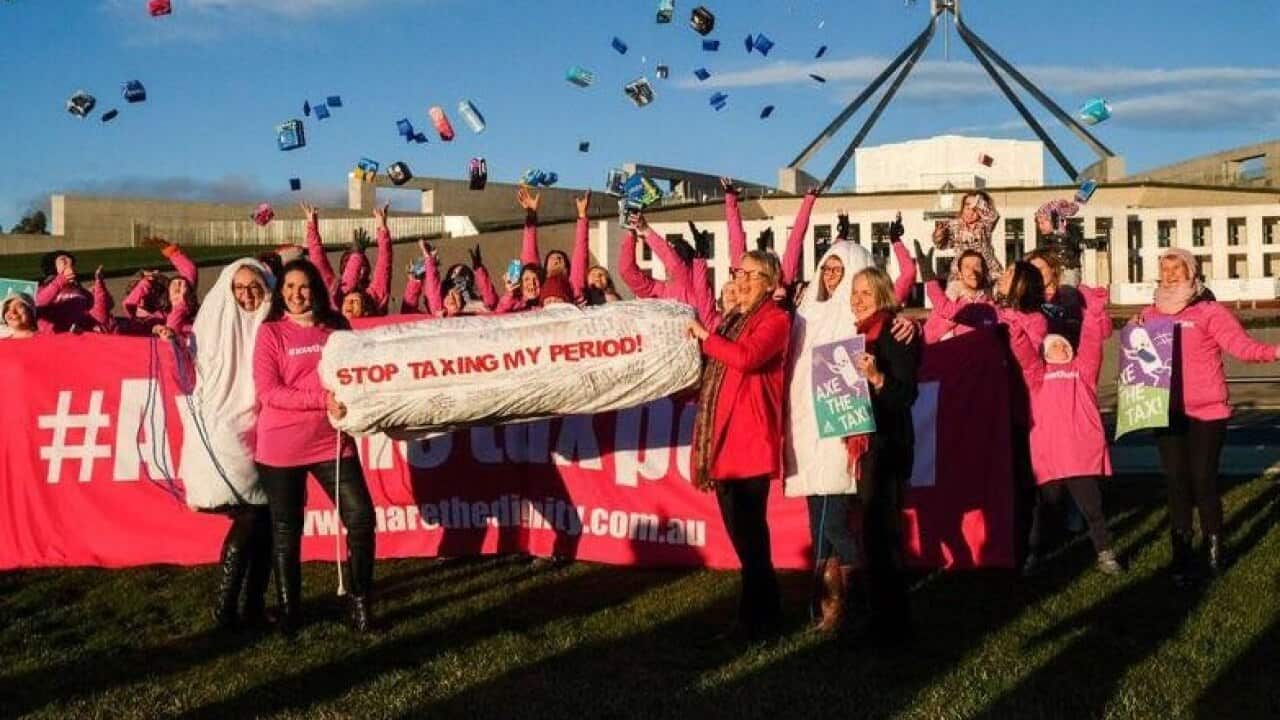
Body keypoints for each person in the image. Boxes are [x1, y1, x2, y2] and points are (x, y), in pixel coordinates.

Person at [1138, 248, 1280, 584]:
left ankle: (1214, 547)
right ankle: (1181, 552)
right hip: (1165, 410)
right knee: (1176, 481)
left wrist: (1275, 351)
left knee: (1202, 479)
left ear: (1192, 272)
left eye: (1178, 268)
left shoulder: (1209, 311)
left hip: (1207, 411)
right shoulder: (1148, 315)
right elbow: (1138, 360)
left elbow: (1242, 347)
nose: (1170, 274)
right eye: (1165, 268)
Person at [253, 259, 377, 635]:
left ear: (316, 289)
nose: (295, 294)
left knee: (361, 519)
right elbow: (269, 391)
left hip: (332, 442)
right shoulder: (270, 333)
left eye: (303, 286)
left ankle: (359, 602)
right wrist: (322, 399)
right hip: (280, 447)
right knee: (287, 532)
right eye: (288, 287)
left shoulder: (336, 326)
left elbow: (360, 370)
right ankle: (291, 611)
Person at [686, 250, 791, 641]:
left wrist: (705, 336)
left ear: (769, 281)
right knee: (746, 543)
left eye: (749, 273)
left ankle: (757, 622)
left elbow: (747, 358)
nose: (740, 279)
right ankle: (762, 618)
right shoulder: (733, 319)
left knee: (751, 542)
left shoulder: (776, 320)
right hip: (725, 444)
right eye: (737, 272)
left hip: (749, 443)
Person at [178, 259, 277, 630]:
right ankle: (225, 608)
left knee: (266, 518)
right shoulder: (213, 326)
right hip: (225, 432)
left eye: (255, 286)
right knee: (252, 513)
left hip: (267, 427)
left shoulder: (272, 322)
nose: (248, 294)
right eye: (240, 288)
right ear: (228, 291)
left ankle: (251, 606)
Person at [782, 238, 873, 634]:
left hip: (838, 428)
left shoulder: (862, 315)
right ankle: (829, 607)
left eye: (840, 270)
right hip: (805, 430)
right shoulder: (807, 311)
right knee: (816, 522)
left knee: (833, 524)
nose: (832, 277)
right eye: (828, 269)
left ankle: (858, 598)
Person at [1006, 285, 1124, 577]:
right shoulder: (1038, 376)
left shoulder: (1083, 372)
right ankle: (1033, 554)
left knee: (1092, 507)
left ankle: (1105, 553)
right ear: (1045, 351)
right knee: (1043, 508)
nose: (1060, 347)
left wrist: (1095, 311)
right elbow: (1023, 355)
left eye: (1064, 345)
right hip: (1049, 455)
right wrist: (1015, 332)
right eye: (1053, 345)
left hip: (1080, 454)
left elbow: (1092, 342)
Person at [846, 266, 920, 647]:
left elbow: (906, 394)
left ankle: (893, 625)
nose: (856, 299)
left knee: (884, 537)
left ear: (882, 295)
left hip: (888, 446)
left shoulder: (895, 330)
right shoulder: (856, 335)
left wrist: (877, 379)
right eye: (853, 293)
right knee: (872, 535)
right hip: (866, 446)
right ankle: (881, 615)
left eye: (864, 293)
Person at [303, 202, 394, 315]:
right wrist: (312, 226)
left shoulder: (374, 298)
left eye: (362, 267)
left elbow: (384, 265)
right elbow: (319, 262)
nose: (350, 305)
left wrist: (382, 228)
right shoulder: (335, 295)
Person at [515, 187, 590, 300]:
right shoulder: (538, 286)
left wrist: (582, 216)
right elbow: (529, 252)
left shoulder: (573, 286)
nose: (557, 260)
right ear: (544, 269)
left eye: (560, 258)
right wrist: (531, 213)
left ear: (567, 269)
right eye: (552, 258)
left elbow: (580, 253)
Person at [916, 246, 996, 344]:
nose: (973, 271)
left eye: (977, 266)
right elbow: (928, 334)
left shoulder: (989, 304)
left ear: (983, 272)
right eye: (967, 267)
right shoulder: (951, 297)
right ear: (959, 274)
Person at [932, 190, 1002, 295]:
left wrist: (979, 202)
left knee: (996, 293)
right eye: (967, 207)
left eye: (975, 210)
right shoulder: (954, 225)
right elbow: (942, 245)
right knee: (954, 295)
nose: (970, 212)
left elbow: (993, 216)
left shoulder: (984, 224)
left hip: (986, 268)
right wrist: (939, 235)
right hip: (962, 270)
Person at [1026, 248, 1084, 349]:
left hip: (1066, 353)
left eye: (1039, 270)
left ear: (1052, 268)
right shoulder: (1026, 299)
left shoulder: (1069, 294)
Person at [35, 250, 100, 333]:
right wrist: (61, 281)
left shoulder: (78, 290)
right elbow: (38, 303)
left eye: (71, 263)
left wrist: (99, 287)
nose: (69, 266)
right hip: (54, 335)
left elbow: (94, 310)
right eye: (64, 262)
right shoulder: (44, 288)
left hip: (79, 334)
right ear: (52, 266)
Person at [1034, 198, 1083, 287]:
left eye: (1042, 223)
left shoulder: (1071, 231)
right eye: (1038, 223)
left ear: (1054, 220)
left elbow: (1074, 248)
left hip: (1068, 272)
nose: (1040, 226)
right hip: (1054, 272)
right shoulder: (1046, 238)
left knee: (1066, 293)